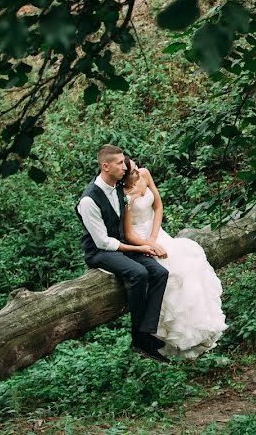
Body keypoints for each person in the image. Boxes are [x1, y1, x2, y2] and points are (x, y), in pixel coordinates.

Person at [121, 156, 227, 358]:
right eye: (133, 171)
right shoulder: (123, 195)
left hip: (156, 233)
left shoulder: (145, 174)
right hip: (139, 240)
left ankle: (201, 326)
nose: (138, 172)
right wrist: (148, 244)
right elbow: (128, 234)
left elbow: (158, 206)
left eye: (136, 168)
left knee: (191, 261)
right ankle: (167, 336)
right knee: (173, 273)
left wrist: (154, 237)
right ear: (124, 177)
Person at [76, 144, 170, 363]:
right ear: (105, 166)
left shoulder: (117, 185)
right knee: (139, 273)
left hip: (120, 245)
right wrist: (140, 248)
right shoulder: (89, 200)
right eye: (119, 163)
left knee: (160, 272)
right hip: (99, 251)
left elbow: (138, 186)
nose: (124, 166)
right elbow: (103, 242)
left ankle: (147, 332)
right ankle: (138, 338)